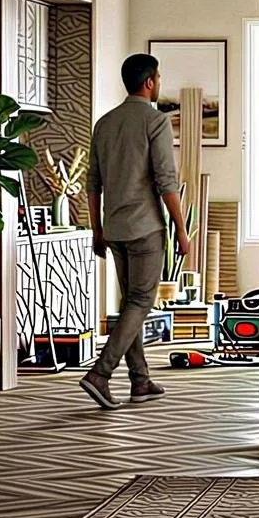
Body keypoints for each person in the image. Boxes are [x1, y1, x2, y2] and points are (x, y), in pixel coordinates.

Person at [80, 53, 190, 409]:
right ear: (149, 82)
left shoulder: (105, 123)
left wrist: (97, 229)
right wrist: (182, 230)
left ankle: (140, 380)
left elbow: (92, 184)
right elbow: (166, 182)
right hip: (145, 229)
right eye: (158, 77)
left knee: (131, 305)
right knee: (141, 302)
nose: (159, 83)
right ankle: (101, 373)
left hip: (114, 229)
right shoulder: (155, 122)